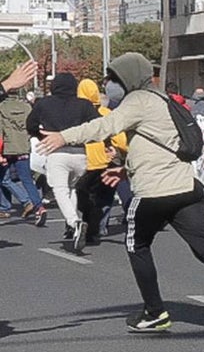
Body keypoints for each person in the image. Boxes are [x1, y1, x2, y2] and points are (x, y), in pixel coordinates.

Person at [36, 52, 204, 338]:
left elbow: (103, 127)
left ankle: (155, 311)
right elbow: (155, 145)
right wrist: (126, 170)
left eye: (115, 78)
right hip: (186, 188)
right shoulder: (162, 99)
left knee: (137, 245)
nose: (110, 84)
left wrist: (62, 136)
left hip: (154, 193)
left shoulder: (138, 100)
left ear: (129, 77)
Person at [27, 73, 101, 250]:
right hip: (80, 154)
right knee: (72, 188)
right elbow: (98, 125)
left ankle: (74, 222)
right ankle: (71, 223)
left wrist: (41, 136)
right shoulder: (84, 104)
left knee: (60, 189)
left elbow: (30, 124)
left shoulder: (44, 104)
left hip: (56, 153)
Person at [74, 77, 128, 249]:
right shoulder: (105, 113)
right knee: (103, 198)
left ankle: (79, 225)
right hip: (103, 162)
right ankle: (97, 229)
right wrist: (121, 151)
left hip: (80, 161)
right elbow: (120, 139)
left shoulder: (74, 113)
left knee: (80, 196)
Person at [0, 60, 47, 225]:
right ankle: (38, 206)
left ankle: (13, 205)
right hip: (23, 146)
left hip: (6, 146)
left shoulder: (2, 106)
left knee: (3, 178)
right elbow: (33, 125)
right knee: (26, 178)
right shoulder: (26, 106)